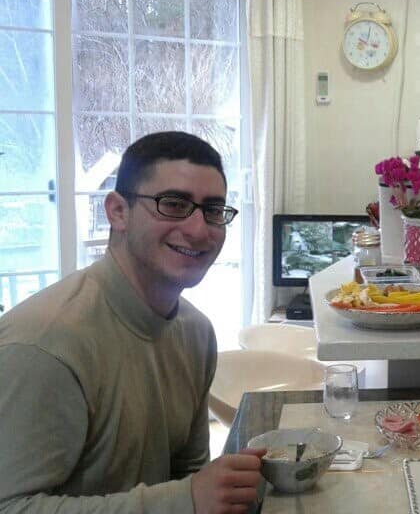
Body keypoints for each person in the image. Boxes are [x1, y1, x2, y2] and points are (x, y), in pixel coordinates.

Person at [0, 132, 265, 513]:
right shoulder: (43, 346)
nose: (198, 230)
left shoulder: (196, 332)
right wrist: (185, 499)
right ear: (117, 212)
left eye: (213, 210)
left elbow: (189, 474)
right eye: (173, 204)